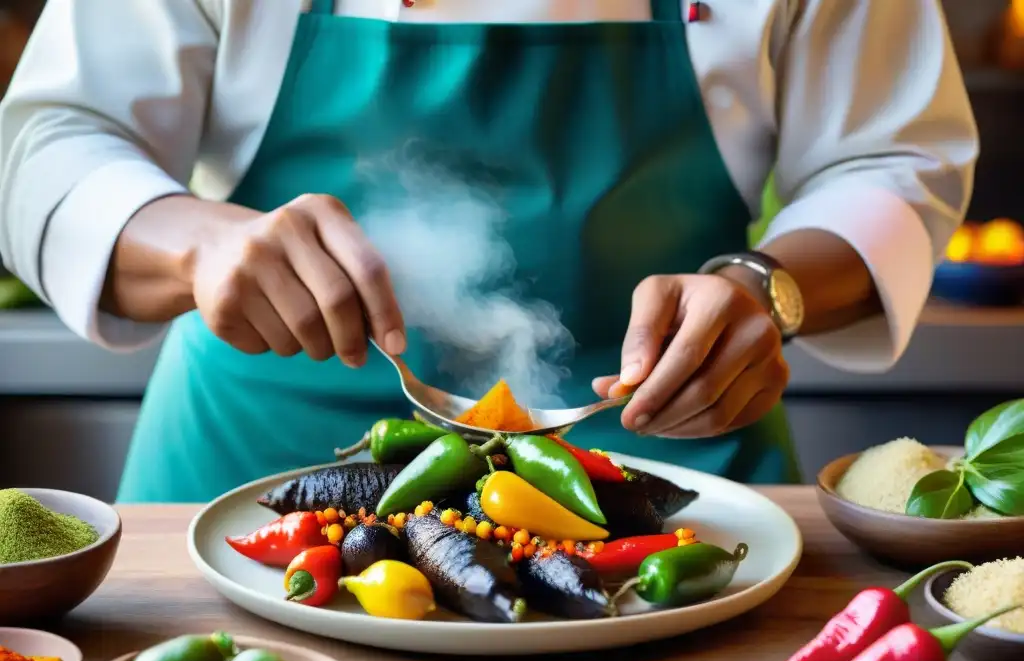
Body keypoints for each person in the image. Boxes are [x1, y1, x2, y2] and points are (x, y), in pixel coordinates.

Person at [0, 0, 977, 503]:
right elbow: (47, 147)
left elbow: (891, 159)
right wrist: (199, 246)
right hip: (251, 488)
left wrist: (769, 290)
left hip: (669, 493)